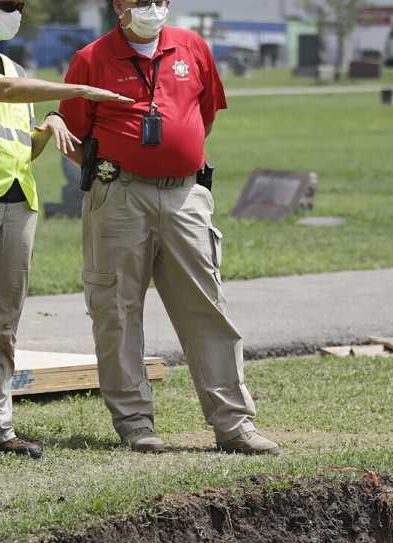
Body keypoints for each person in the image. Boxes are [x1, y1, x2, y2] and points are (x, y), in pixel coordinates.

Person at [58, 0, 279, 455]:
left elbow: (205, 117)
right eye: (142, 1)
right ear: (119, 4)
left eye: (160, 0)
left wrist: (175, 155)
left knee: (207, 307)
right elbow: (76, 139)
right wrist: (118, 170)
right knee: (116, 310)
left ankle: (234, 424)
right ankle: (136, 423)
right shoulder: (91, 58)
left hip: (185, 195)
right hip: (119, 196)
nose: (153, 8)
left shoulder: (193, 47)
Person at [0, 0, 132, 460]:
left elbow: (23, 145)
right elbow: (1, 91)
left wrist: (53, 124)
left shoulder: (15, 64)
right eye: (10, 5)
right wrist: (77, 90)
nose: (16, 13)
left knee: (2, 322)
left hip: (18, 201)